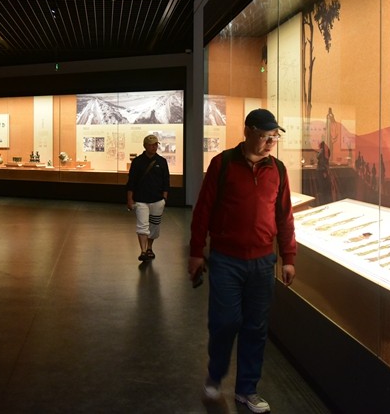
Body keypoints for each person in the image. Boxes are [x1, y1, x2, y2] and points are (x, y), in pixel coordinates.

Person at [188, 108, 297, 413]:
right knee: (224, 323)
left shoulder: (278, 170)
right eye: (265, 135)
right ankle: (214, 377)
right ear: (248, 131)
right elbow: (203, 210)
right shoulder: (223, 164)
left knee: (256, 327)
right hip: (226, 261)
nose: (271, 142)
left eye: (274, 136)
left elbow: (284, 217)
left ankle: (247, 390)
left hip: (262, 263)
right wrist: (196, 252)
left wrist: (288, 256)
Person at [126, 134, 170, 261]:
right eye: (151, 145)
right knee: (142, 226)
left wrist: (164, 198)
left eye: (156, 144)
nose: (154, 147)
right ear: (145, 146)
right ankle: (143, 251)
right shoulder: (137, 162)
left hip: (157, 200)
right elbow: (131, 182)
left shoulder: (162, 161)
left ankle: (149, 247)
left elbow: (166, 181)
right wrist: (130, 199)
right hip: (141, 200)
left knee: (154, 226)